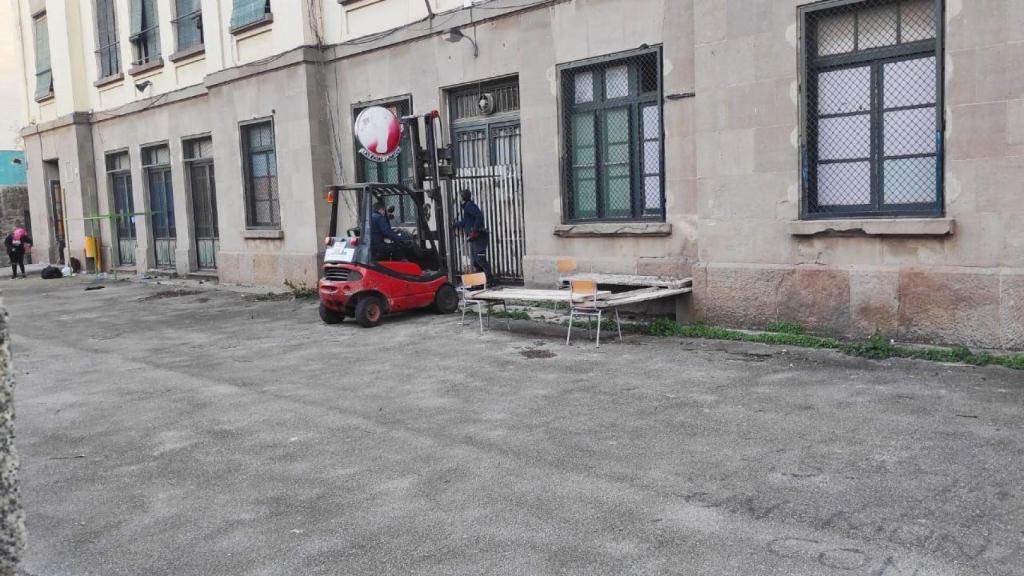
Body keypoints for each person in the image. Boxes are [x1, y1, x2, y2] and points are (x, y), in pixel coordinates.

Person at [453, 189, 494, 287]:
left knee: (480, 259)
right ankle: (480, 283)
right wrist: (455, 225)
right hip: (475, 238)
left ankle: (490, 281)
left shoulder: (469, 206)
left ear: (463, 198)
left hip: (480, 237)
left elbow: (479, 216)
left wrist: (474, 230)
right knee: (476, 262)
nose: (458, 199)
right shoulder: (467, 207)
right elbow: (465, 222)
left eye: (459, 196)